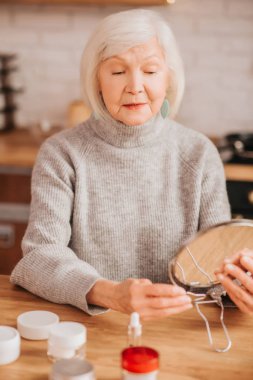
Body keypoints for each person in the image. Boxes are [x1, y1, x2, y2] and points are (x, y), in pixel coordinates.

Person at [11, 9, 250, 320]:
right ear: (96, 79)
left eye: (150, 71)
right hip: (91, 326)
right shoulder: (61, 154)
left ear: (169, 78)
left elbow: (215, 265)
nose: (135, 86)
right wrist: (109, 293)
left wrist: (238, 286)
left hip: (180, 331)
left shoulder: (199, 154)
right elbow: (39, 258)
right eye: (117, 72)